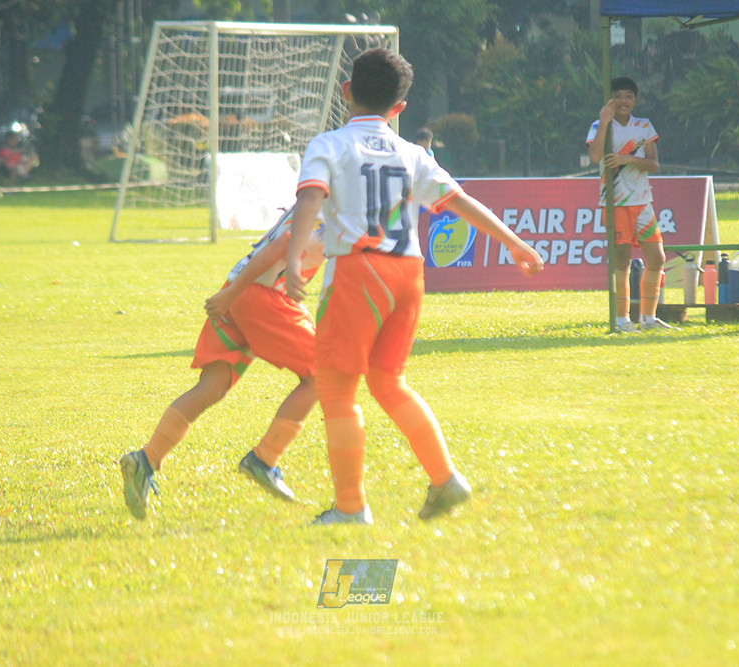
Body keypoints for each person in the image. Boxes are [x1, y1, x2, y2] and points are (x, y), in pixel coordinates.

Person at [284, 48, 544, 526]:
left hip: (358, 270)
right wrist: (515, 243)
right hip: (408, 274)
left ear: (346, 92)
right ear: (399, 109)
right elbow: (460, 201)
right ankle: (445, 478)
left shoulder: (329, 145)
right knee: (388, 381)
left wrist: (292, 259)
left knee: (338, 389)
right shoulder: (413, 153)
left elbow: (311, 199)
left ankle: (350, 507)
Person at [119, 205, 325, 520]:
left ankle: (145, 460)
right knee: (323, 375)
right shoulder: (335, 203)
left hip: (239, 287)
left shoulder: (316, 195)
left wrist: (233, 294)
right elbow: (280, 247)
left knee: (211, 387)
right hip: (258, 296)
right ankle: (265, 459)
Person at [586, 77, 675, 333]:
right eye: (617, 95)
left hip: (643, 202)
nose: (622, 101)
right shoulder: (600, 125)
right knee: (622, 263)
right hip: (615, 204)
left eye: (627, 96)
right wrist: (604, 121)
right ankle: (621, 319)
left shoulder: (644, 126)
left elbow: (654, 164)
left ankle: (648, 317)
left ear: (634, 100)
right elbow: (594, 157)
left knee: (656, 257)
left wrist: (627, 159)